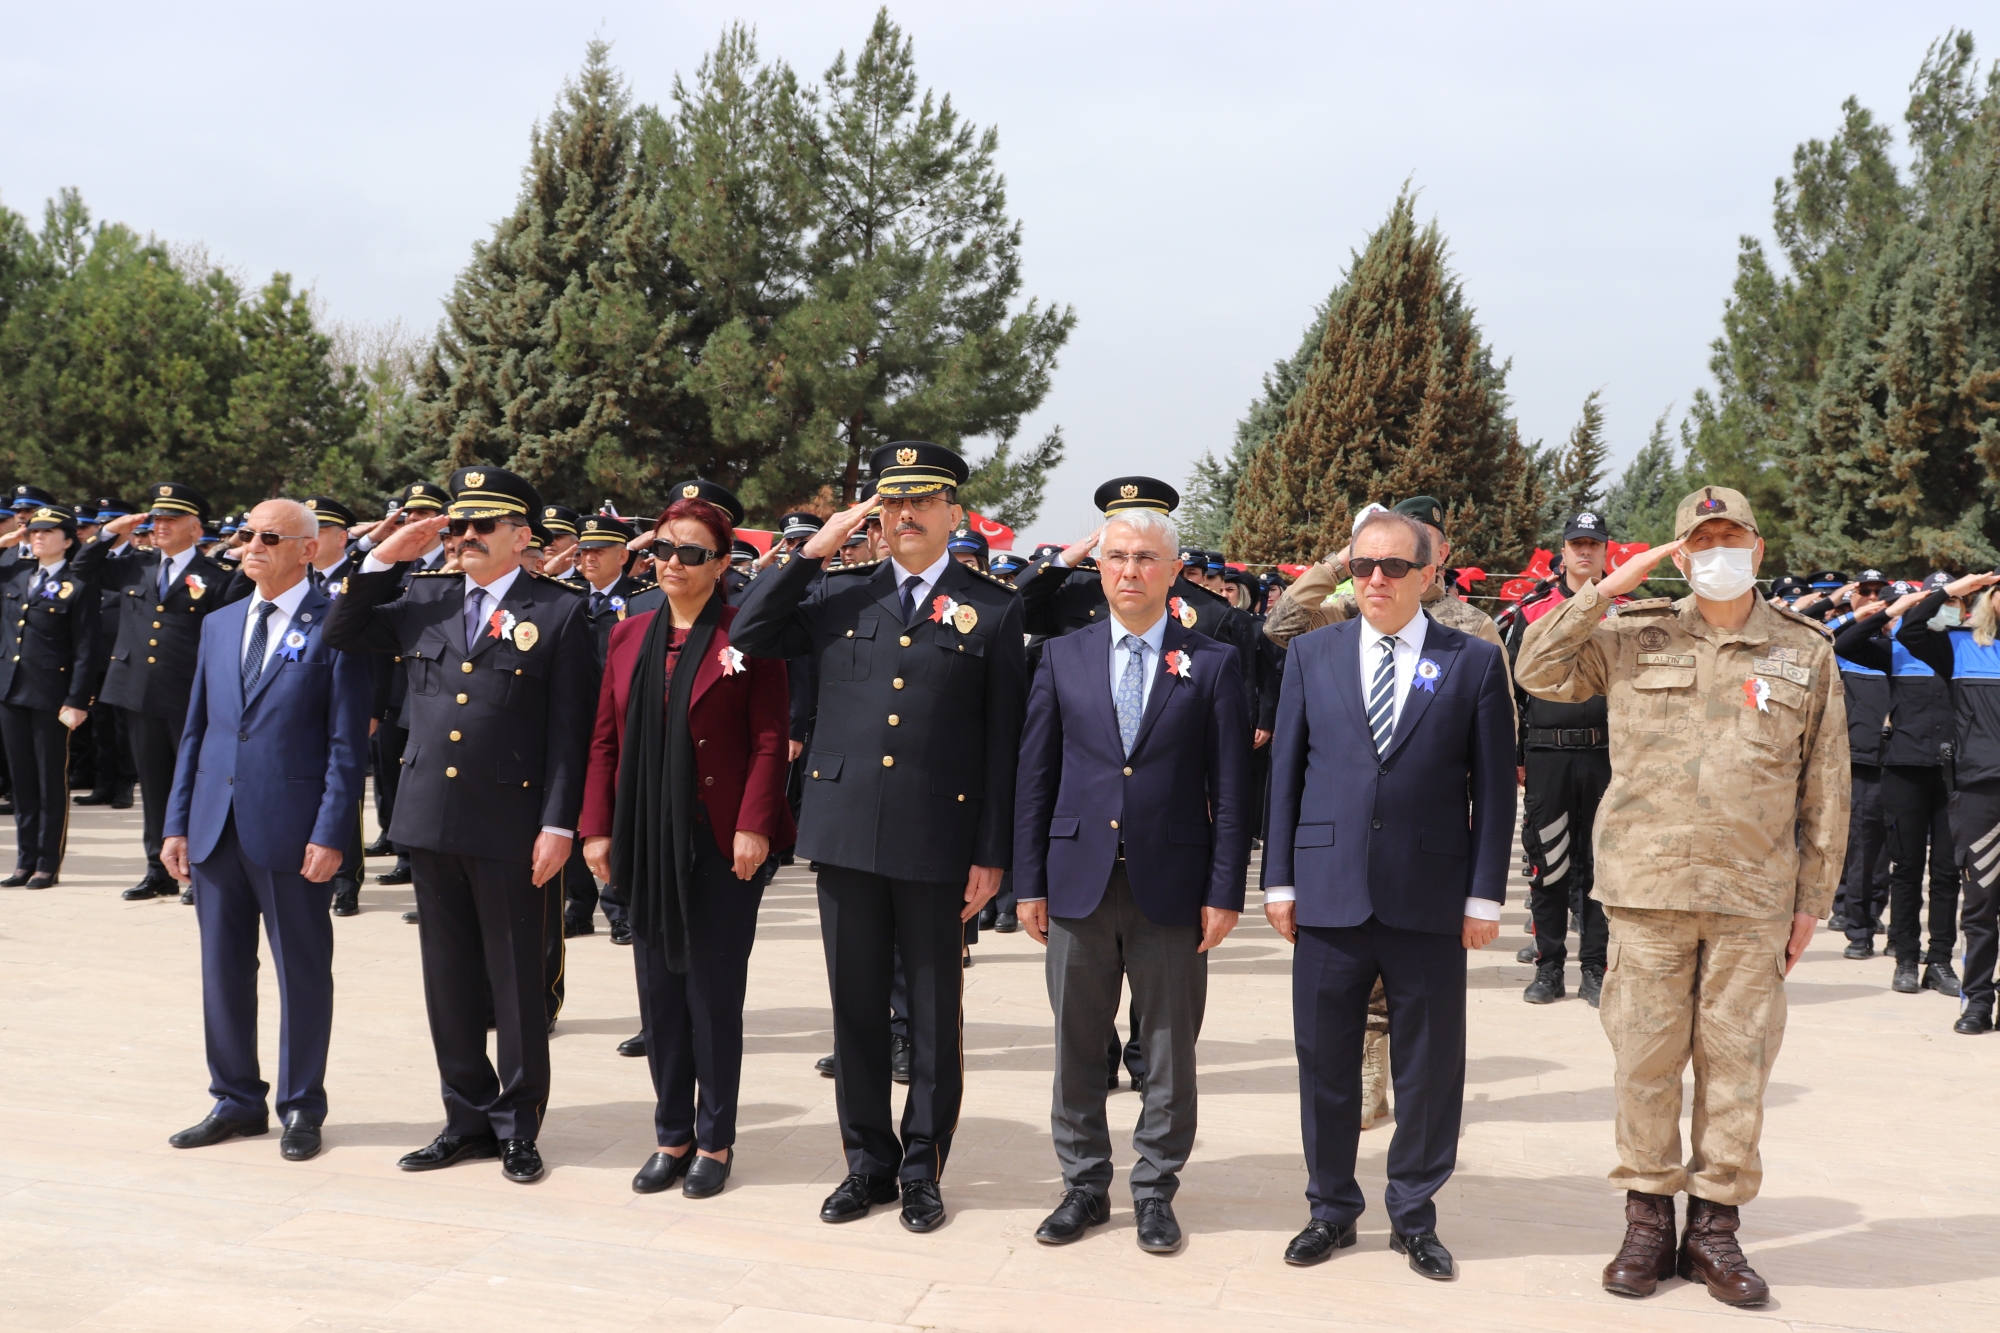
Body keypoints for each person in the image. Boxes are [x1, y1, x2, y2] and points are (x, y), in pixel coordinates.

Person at [1515, 485, 1847, 1307]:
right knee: (1646, 1064)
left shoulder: (1805, 649)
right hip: (1646, 892)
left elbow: (1828, 784)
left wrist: (1814, 898)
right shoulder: (1634, 634)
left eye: (1732, 537)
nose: (1718, 551)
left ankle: (1715, 1231)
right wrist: (1612, 587)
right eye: (1701, 541)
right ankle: (1646, 1222)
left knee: (1738, 1067)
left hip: (1753, 896)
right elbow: (1535, 665)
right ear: (1680, 553)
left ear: (1758, 549)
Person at [731, 441, 1027, 1233]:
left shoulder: (994, 608)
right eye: (893, 503)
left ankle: (924, 1165)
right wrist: (811, 549)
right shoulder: (837, 594)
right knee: (855, 1010)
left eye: (923, 502)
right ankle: (868, 1162)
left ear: (953, 512)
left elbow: (1005, 742)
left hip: (939, 838)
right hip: (847, 832)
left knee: (933, 1015)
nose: (905, 516)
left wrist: (992, 849)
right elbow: (750, 629)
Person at [1263, 507, 1515, 1281]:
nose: (1375, 579)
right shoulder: (1312, 654)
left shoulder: (1470, 661)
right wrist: (1279, 877)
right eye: (1363, 565)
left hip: (1430, 895)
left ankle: (1414, 1212)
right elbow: (1287, 775)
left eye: (1394, 567)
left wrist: (1484, 897)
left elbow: (1495, 787)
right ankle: (1330, 1208)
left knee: (1431, 1067)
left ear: (1428, 572)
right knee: (1325, 1059)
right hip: (1329, 890)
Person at [324, 466, 595, 1186]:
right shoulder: (424, 596)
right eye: (457, 525)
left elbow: (571, 733)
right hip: (429, 817)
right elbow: (341, 629)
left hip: (513, 820)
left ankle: (517, 1125)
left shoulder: (561, 612)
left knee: (515, 984)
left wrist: (559, 823)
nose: (464, 537)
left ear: (520, 535)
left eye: (482, 525)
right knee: (447, 981)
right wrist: (384, 554)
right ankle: (464, 1118)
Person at [1012, 487, 1252, 1255]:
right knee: (1076, 1045)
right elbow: (1035, 777)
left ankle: (1154, 1189)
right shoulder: (1061, 655)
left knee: (1170, 1050)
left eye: (1146, 557)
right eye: (1116, 556)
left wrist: (1224, 891)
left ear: (1173, 570)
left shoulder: (1212, 663)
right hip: (1078, 879)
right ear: (1100, 565)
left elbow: (1232, 788)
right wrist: (1030, 880)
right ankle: (1084, 1185)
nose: (1129, 570)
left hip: (1172, 887)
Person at [578, 480, 794, 1199]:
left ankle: (714, 1139)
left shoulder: (748, 636)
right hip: (644, 836)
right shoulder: (629, 633)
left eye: (690, 553)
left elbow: (769, 739)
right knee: (658, 994)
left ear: (722, 561)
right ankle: (670, 1133)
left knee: (711, 994)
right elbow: (605, 739)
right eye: (664, 549)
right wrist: (596, 826)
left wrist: (754, 823)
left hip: (720, 841)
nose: (672, 563)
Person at [160, 499, 371, 1161]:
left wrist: (333, 829)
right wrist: (176, 823)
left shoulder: (337, 623)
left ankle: (302, 1105)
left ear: (307, 549)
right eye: (246, 533)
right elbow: (197, 731)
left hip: (292, 829)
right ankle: (235, 1099)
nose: (251, 544)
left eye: (269, 536)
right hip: (216, 827)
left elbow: (346, 743)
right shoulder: (221, 623)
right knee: (222, 971)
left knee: (302, 971)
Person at [71, 483, 234, 904]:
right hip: (138, 693)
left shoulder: (215, 577)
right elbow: (81, 567)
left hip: (188, 697)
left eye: (171, 520)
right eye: (157, 518)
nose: (160, 526)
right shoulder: (135, 565)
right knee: (154, 784)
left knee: (195, 786)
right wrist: (112, 532)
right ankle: (158, 870)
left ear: (196, 529)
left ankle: (199, 872)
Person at [1505, 510, 1617, 1006]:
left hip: (1607, 754)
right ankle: (1549, 967)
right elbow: (1508, 689)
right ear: (1564, 549)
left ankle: (1595, 966)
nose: (1585, 551)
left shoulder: (1624, 610)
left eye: (1594, 543)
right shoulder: (1533, 609)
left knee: (1600, 868)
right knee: (1547, 863)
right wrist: (1513, 754)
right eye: (1577, 543)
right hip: (1547, 753)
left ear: (1606, 549)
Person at [1832, 578, 1961, 994]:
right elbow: (1845, 644)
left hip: (1954, 775)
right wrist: (1888, 610)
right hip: (1904, 771)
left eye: (1956, 600)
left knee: (1945, 874)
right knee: (1906, 870)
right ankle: (1905, 957)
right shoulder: (1894, 650)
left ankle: (1939, 959)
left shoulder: (1964, 647)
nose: (1949, 607)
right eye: (1939, 600)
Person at [1895, 571, 2000, 1033]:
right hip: (1979, 794)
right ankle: (1977, 1002)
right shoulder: (1960, 647)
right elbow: (1912, 627)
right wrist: (1952, 591)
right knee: (1980, 905)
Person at [566, 511, 657, 941]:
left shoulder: (645, 599)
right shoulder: (566, 598)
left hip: (621, 721)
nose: (587, 559)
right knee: (571, 811)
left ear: (624, 555)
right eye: (583, 551)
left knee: (616, 813)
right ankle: (577, 906)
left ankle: (621, 908)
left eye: (598, 552)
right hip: (572, 718)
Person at [0, 505, 102, 887]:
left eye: (48, 531)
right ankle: (23, 862)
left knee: (48, 781)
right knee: (21, 781)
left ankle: (47, 863)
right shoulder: (15, 573)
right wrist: (4, 541)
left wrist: (77, 700)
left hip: (51, 696)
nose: (37, 536)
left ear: (69, 539)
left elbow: (86, 650)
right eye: (33, 530)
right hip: (10, 691)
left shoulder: (79, 587)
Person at [73, 499, 138, 812]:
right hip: (97, 654)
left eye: (113, 523)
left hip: (125, 656)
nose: (106, 529)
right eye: (103, 524)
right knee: (101, 723)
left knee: (123, 725)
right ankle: (103, 783)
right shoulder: (94, 559)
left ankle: (124, 784)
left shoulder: (139, 561)